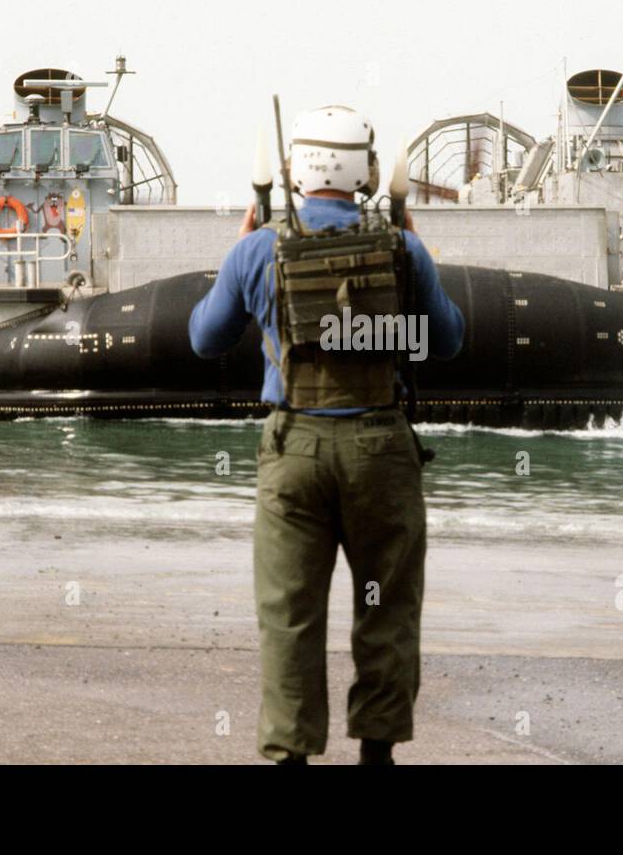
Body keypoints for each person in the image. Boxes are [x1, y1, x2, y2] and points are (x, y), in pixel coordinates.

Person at [188, 105, 464, 765]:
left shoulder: (260, 247)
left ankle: (291, 755)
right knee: (387, 607)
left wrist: (240, 247)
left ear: (296, 169)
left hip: (294, 452)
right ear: (365, 171)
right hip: (380, 450)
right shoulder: (401, 246)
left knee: (291, 614)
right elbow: (447, 340)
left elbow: (205, 337)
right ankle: (377, 753)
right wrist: (412, 249)